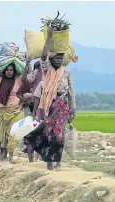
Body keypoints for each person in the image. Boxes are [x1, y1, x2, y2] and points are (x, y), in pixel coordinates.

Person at [25, 27, 77, 171]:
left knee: (59, 134)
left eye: (61, 58)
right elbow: (43, 56)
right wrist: (49, 38)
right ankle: (49, 162)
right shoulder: (47, 70)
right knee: (48, 134)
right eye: (57, 58)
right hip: (48, 105)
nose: (59, 60)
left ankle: (58, 162)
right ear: (52, 59)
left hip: (62, 106)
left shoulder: (66, 73)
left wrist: (73, 109)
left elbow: (71, 92)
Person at [0, 62, 23, 163]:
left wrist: (28, 62)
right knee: (3, 135)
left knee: (13, 133)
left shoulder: (17, 81)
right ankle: (4, 154)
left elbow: (26, 76)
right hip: (2, 111)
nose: (9, 72)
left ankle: (11, 156)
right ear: (4, 71)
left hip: (14, 111)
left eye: (11, 70)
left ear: (14, 71)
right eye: (7, 70)